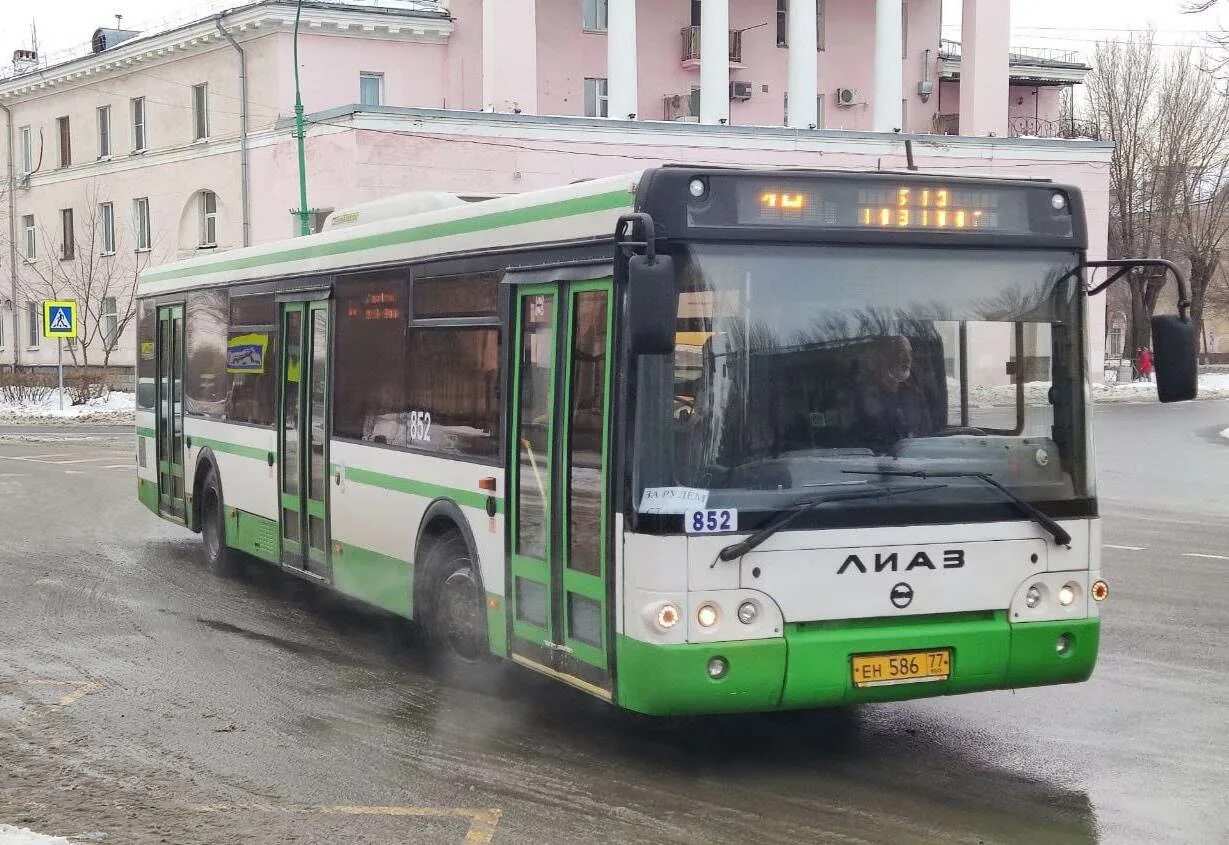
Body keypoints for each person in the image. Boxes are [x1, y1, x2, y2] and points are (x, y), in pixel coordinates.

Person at [848, 335, 935, 453]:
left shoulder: (915, 394)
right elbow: (856, 438)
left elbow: (927, 433)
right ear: (885, 357)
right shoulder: (864, 395)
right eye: (901, 352)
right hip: (876, 465)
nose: (907, 359)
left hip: (916, 462)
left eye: (910, 353)